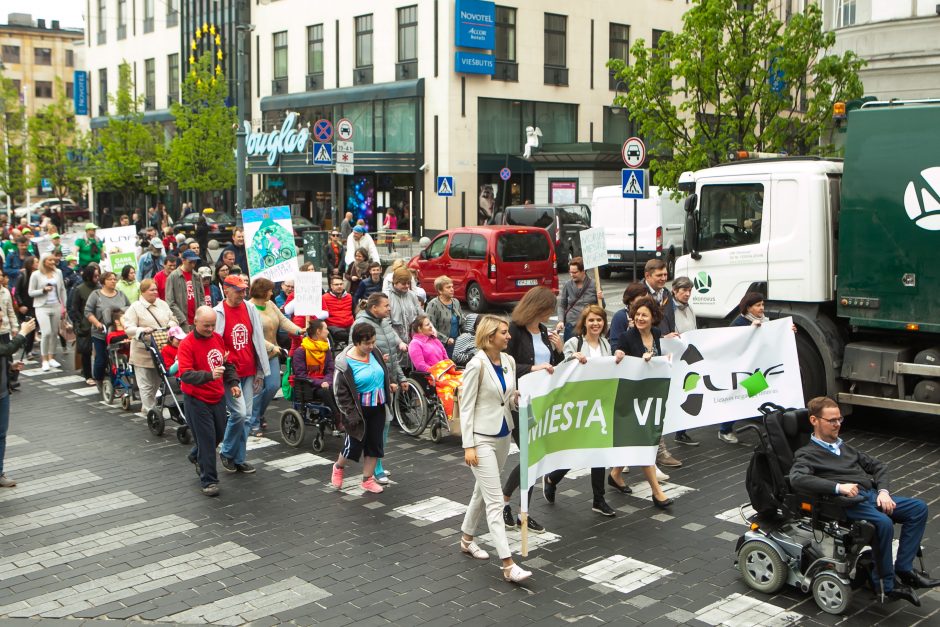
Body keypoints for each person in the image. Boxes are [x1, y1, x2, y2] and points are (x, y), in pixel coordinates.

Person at [790, 396, 940, 606]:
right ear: (814, 420)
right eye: (831, 420)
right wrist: (838, 487)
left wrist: (884, 492)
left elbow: (879, 467)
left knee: (918, 509)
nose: (837, 424)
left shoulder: (845, 448)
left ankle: (905, 570)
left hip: (870, 496)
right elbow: (798, 479)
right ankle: (886, 585)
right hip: (845, 503)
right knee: (883, 523)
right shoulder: (806, 454)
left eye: (839, 419)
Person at [457, 314, 532, 583]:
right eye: (504, 332)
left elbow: (505, 398)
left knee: (482, 490)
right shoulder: (476, 365)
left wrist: (515, 399)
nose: (509, 336)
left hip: (503, 434)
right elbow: (466, 407)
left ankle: (466, 538)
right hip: (481, 439)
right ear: (490, 337)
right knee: (494, 501)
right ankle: (508, 564)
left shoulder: (509, 361)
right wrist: (468, 445)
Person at [542, 305, 621, 517]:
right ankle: (552, 478)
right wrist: (572, 359)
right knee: (577, 452)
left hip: (600, 404)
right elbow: (561, 370)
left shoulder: (605, 343)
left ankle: (599, 499)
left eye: (600, 320)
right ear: (584, 323)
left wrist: (619, 357)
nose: (596, 324)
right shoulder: (574, 343)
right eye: (592, 320)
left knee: (599, 452)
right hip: (579, 405)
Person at [503, 286, 564, 533]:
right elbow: (506, 366)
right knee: (530, 456)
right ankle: (508, 504)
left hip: (541, 403)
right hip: (519, 403)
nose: (549, 315)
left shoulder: (542, 331)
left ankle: (521, 513)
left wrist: (559, 351)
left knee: (535, 457)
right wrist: (531, 368)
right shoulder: (514, 331)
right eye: (547, 310)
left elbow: (554, 368)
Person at [615, 296, 674, 509]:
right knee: (644, 441)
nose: (639, 318)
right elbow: (619, 360)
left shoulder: (657, 334)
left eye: (644, 315)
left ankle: (614, 474)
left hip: (650, 397)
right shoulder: (626, 337)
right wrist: (621, 355)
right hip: (631, 399)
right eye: (637, 314)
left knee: (636, 438)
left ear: (653, 318)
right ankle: (657, 493)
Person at [178, 306, 240, 497]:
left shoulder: (217, 339)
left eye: (213, 325)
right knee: (206, 440)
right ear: (195, 322)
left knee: (218, 435)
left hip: (217, 396)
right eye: (206, 325)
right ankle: (209, 481)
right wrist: (209, 376)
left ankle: (196, 455)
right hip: (196, 399)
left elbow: (226, 363)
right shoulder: (186, 344)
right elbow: (185, 374)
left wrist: (233, 382)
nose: (210, 329)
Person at [330, 322, 396, 494]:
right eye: (367, 343)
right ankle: (338, 467)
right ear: (357, 342)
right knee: (353, 445)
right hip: (358, 411)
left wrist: (389, 385)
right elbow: (340, 393)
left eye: (373, 342)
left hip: (378, 407)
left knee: (375, 444)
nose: (371, 346)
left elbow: (382, 372)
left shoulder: (375, 352)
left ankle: (367, 480)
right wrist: (350, 414)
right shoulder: (344, 363)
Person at [214, 274, 269, 474]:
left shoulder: (250, 308)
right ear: (226, 289)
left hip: (249, 368)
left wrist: (260, 371)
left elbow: (257, 339)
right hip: (230, 374)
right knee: (239, 414)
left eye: (244, 290)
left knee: (246, 418)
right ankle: (227, 451)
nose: (242, 294)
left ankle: (239, 458)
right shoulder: (218, 312)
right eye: (238, 290)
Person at [354, 293, 407, 485]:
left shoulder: (384, 322)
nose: (389, 308)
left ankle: (376, 463)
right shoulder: (361, 324)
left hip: (387, 380)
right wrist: (375, 359)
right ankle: (373, 468)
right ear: (374, 307)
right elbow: (356, 354)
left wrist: (400, 378)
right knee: (380, 425)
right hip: (371, 385)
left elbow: (391, 354)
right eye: (385, 305)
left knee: (383, 425)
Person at [247, 277, 303, 436]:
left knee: (272, 386)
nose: (272, 293)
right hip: (257, 355)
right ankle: (254, 422)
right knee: (257, 390)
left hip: (272, 354)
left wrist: (299, 330)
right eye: (270, 290)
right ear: (263, 292)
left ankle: (258, 413)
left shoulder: (270, 304)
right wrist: (272, 346)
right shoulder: (249, 308)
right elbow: (254, 335)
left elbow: (283, 321)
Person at [122, 278, 179, 417]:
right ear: (143, 291)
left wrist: (172, 324)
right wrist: (141, 330)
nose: (155, 292)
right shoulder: (135, 307)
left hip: (160, 350)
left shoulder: (162, 304)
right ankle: (150, 412)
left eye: (156, 289)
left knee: (156, 383)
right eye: (152, 290)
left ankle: (149, 407)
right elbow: (128, 328)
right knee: (145, 385)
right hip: (143, 351)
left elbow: (173, 318)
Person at [0, 317, 35, 487]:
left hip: (2, 393)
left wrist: (10, 367)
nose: (1, 322)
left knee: (1, 435)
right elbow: (6, 349)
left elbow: (3, 355)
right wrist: (23, 333)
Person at [408, 315, 462, 422]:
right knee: (453, 386)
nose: (431, 327)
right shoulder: (415, 344)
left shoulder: (435, 340)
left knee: (466, 379)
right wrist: (437, 372)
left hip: (444, 372)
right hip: (430, 376)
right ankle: (453, 417)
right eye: (427, 324)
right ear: (419, 329)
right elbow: (420, 365)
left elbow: (445, 358)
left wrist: (446, 368)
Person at [84, 271, 130, 385]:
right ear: (103, 281)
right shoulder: (96, 295)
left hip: (118, 332)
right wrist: (97, 324)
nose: (113, 281)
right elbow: (88, 312)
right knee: (101, 359)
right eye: (110, 279)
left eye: (115, 279)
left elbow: (129, 308)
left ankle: (117, 379)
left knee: (119, 356)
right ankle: (99, 379)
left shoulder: (121, 294)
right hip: (101, 332)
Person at [291, 319, 339, 426]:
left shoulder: (325, 349)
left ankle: (339, 415)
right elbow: (301, 375)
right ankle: (337, 417)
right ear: (318, 331)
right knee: (325, 391)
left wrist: (326, 381)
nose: (328, 331)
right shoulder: (301, 351)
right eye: (326, 329)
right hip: (308, 387)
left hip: (325, 383)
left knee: (339, 388)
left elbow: (331, 370)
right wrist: (320, 383)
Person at [670, 276, 699, 447]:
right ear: (675, 291)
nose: (687, 294)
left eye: (689, 291)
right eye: (684, 291)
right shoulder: (669, 309)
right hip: (675, 356)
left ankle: (681, 431)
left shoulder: (690, 309)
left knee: (687, 390)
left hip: (688, 357)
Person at [28, 253, 66, 371]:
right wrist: (43, 290)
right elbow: (30, 292)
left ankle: (51, 357)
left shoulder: (58, 272)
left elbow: (62, 289)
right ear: (44, 261)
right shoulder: (36, 275)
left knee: (55, 332)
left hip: (56, 305)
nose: (53, 262)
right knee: (47, 332)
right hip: (41, 306)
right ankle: (44, 359)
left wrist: (64, 305)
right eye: (50, 260)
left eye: (53, 260)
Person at [555, 257, 604, 341]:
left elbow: (601, 308)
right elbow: (562, 305)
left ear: (583, 271)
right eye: (570, 272)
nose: (571, 275)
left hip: (588, 326)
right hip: (572, 325)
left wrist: (601, 299)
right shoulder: (567, 285)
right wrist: (560, 321)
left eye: (575, 272)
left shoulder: (595, 284)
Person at [70, 264, 100, 384]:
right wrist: (79, 322)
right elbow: (74, 308)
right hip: (85, 324)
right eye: (95, 276)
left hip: (98, 323)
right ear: (89, 276)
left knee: (100, 349)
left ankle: (101, 372)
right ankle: (88, 375)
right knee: (86, 351)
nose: (97, 278)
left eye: (98, 275)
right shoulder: (80, 289)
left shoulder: (99, 288)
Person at [425, 276, 464, 359]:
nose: (452, 289)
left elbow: (462, 321)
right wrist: (446, 339)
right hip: (440, 344)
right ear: (440, 290)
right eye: (448, 287)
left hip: (456, 343)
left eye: (452, 286)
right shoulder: (433, 305)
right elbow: (430, 328)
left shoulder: (456, 302)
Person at [165, 250, 201, 331]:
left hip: (197, 319)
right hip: (182, 322)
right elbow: (170, 301)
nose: (193, 265)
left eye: (194, 262)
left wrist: (201, 314)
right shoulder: (173, 276)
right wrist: (182, 319)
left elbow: (202, 297)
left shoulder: (197, 276)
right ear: (183, 260)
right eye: (190, 262)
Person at [388, 267, 422, 350]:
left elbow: (420, 316)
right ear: (395, 282)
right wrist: (399, 342)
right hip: (396, 345)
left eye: (408, 283)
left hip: (413, 342)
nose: (407, 286)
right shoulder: (387, 297)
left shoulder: (412, 295)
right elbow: (386, 325)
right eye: (403, 284)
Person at [641, 259, 676, 336]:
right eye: (659, 275)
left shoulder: (667, 294)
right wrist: (662, 337)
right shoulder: (640, 295)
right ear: (647, 276)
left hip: (667, 344)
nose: (663, 278)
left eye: (665, 274)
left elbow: (671, 320)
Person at [13, 255, 37, 358]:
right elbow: (16, 292)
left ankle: (28, 347)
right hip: (26, 307)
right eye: (36, 262)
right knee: (29, 329)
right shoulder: (22, 276)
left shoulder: (37, 275)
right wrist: (21, 305)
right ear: (30, 264)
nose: (38, 264)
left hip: (35, 305)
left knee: (33, 328)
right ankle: (28, 351)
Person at [322, 275, 354, 344]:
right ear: (331, 286)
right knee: (345, 335)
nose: (339, 286)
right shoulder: (324, 298)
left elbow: (354, 311)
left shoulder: (349, 296)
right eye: (336, 284)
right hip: (334, 327)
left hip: (349, 325)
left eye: (341, 284)